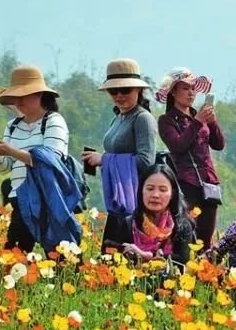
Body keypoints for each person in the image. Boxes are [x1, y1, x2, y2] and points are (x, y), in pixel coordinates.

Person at [0, 65, 70, 252]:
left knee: (59, 257)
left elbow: (50, 161)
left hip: (48, 198)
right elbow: (5, 168)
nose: (19, 101)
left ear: (39, 95)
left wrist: (10, 150)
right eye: (16, 97)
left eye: (24, 95)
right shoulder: (12, 126)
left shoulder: (54, 121)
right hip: (21, 197)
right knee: (14, 255)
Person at [81, 58, 157, 253]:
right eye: (114, 91)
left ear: (138, 91)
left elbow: (146, 161)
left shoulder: (143, 119)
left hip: (135, 201)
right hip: (117, 199)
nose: (119, 95)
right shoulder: (119, 118)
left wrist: (104, 160)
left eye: (125, 90)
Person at [156, 67, 223, 250]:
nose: (191, 92)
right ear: (173, 92)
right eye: (185, 88)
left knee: (206, 239)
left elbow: (219, 144)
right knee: (187, 235)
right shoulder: (166, 120)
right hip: (187, 184)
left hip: (209, 183)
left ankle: (205, 273)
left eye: (193, 88)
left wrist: (212, 122)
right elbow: (178, 145)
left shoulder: (197, 116)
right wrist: (198, 121)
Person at [112, 164, 194, 265]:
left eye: (162, 190)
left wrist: (147, 256)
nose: (155, 195)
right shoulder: (129, 224)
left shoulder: (182, 226)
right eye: (150, 189)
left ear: (172, 193)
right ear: (141, 190)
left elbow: (183, 260)